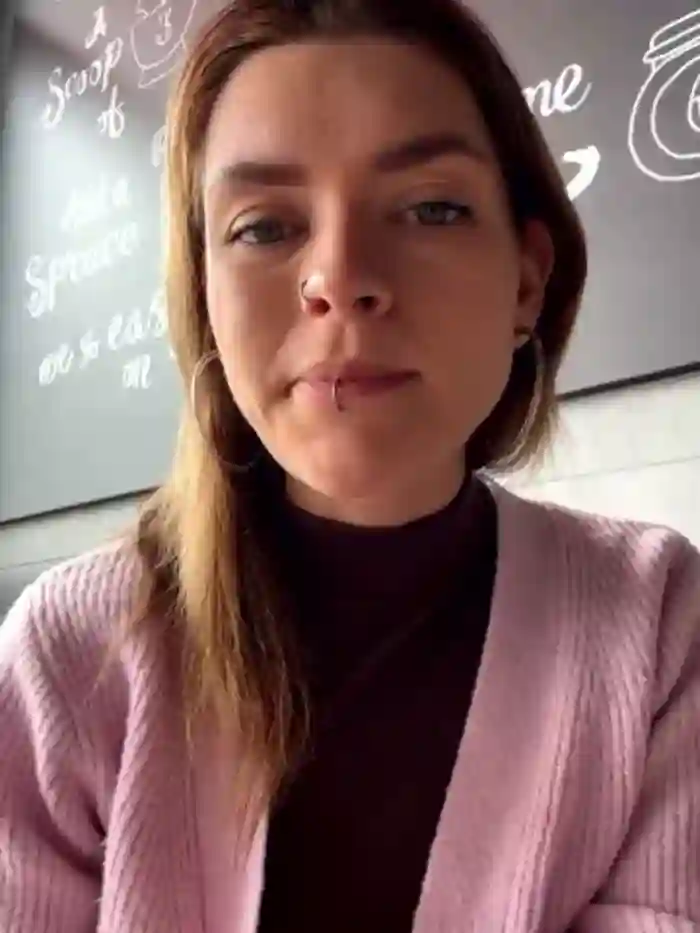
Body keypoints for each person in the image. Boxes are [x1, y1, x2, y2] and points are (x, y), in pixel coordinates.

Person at [1, 0, 699, 930]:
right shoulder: (70, 654)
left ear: (527, 281)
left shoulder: (657, 623)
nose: (340, 277)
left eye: (432, 208)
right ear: (204, 293)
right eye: (263, 227)